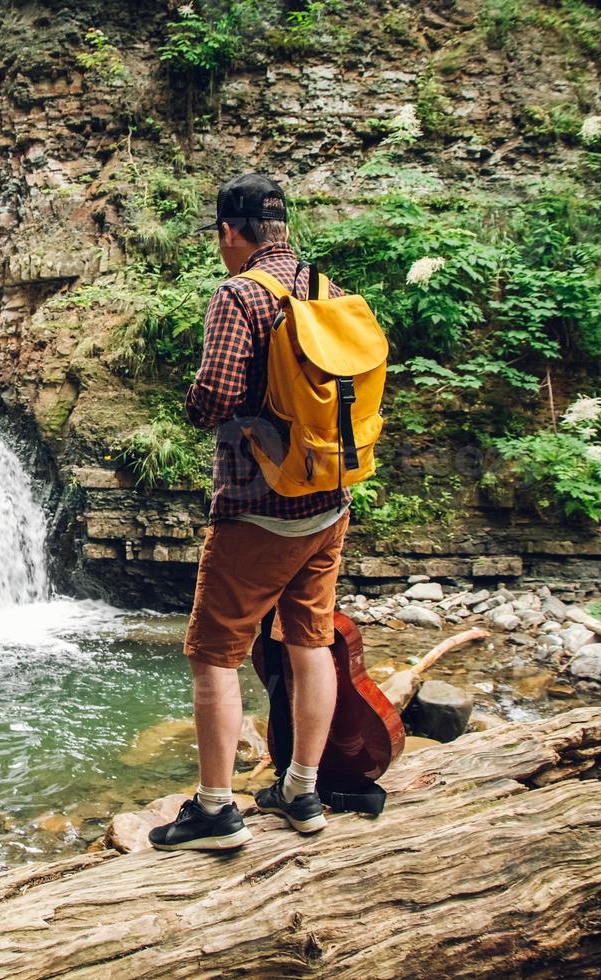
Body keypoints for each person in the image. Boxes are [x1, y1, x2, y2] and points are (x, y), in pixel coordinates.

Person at [149, 173, 351, 851]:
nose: (221, 248)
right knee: (310, 642)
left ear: (232, 233)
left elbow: (216, 395)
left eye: (220, 237)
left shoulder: (239, 296)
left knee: (214, 653)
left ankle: (214, 810)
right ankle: (302, 789)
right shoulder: (328, 289)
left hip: (258, 508)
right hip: (328, 502)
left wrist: (195, 405)